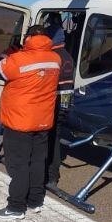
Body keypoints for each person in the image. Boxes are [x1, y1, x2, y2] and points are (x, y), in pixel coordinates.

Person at [0, 25, 60, 220]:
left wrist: (7, 53)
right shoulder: (55, 59)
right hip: (43, 120)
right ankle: (35, 201)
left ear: (28, 37)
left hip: (19, 120)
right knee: (38, 161)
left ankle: (16, 206)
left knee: (19, 164)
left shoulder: (18, 59)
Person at [43, 17, 75, 193]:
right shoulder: (67, 56)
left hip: (54, 103)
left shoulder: (53, 57)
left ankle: (50, 175)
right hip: (65, 102)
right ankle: (52, 174)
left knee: (49, 139)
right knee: (55, 137)